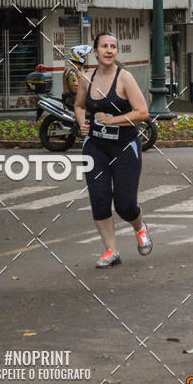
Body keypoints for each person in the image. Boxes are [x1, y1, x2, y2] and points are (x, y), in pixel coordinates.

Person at [74, 31, 152, 268]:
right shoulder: (86, 78)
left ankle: (139, 227)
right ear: (95, 50)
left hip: (124, 146)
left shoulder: (124, 78)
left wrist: (112, 121)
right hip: (95, 147)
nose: (109, 50)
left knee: (125, 204)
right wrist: (82, 124)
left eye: (113, 47)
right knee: (99, 199)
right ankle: (111, 250)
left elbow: (142, 113)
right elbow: (78, 105)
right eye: (104, 46)